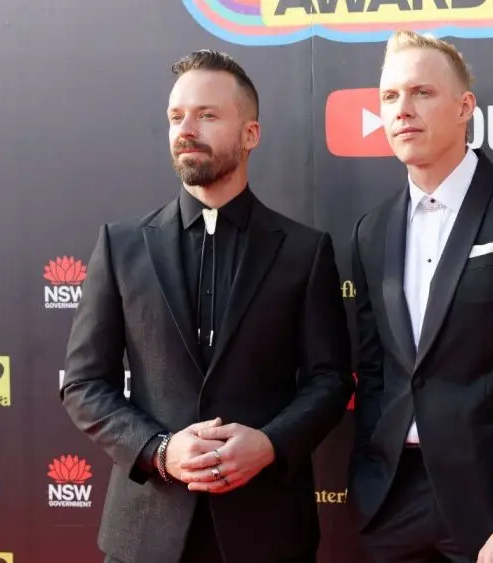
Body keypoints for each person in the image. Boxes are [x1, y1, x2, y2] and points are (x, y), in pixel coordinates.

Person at [60, 49, 354, 563]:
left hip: (268, 533)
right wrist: (159, 450)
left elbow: (330, 380)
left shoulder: (305, 252)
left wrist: (269, 444)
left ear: (250, 134)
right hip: (145, 534)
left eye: (207, 115)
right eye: (177, 116)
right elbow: (84, 384)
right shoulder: (121, 245)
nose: (186, 129)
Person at [347, 30, 493, 563]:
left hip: (490, 505)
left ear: (464, 108)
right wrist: (366, 482)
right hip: (390, 502)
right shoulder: (371, 230)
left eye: (422, 93)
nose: (403, 110)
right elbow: (376, 369)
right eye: (390, 97)